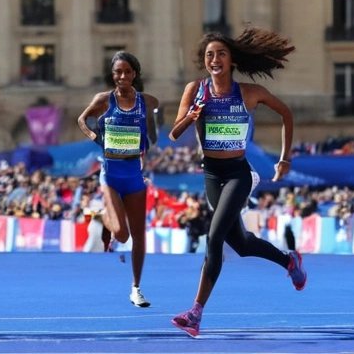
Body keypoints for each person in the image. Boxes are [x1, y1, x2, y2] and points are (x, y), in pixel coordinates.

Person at [168, 26, 307, 338]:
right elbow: (174, 134)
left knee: (214, 237)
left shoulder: (248, 93)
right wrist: (193, 115)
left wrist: (284, 158)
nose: (215, 59)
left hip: (238, 174)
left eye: (221, 54)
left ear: (231, 60)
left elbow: (286, 114)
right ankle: (289, 261)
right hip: (211, 176)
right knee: (241, 245)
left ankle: (195, 313)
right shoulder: (195, 90)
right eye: (209, 55)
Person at [77, 51, 159, 308]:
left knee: (139, 235)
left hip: (134, 174)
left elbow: (152, 135)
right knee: (122, 235)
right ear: (112, 75)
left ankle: (136, 288)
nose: (122, 76)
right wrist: (96, 138)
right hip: (110, 174)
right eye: (117, 72)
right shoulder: (104, 100)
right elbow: (82, 119)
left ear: (135, 74)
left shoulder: (146, 102)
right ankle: (103, 217)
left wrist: (144, 144)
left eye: (127, 72)